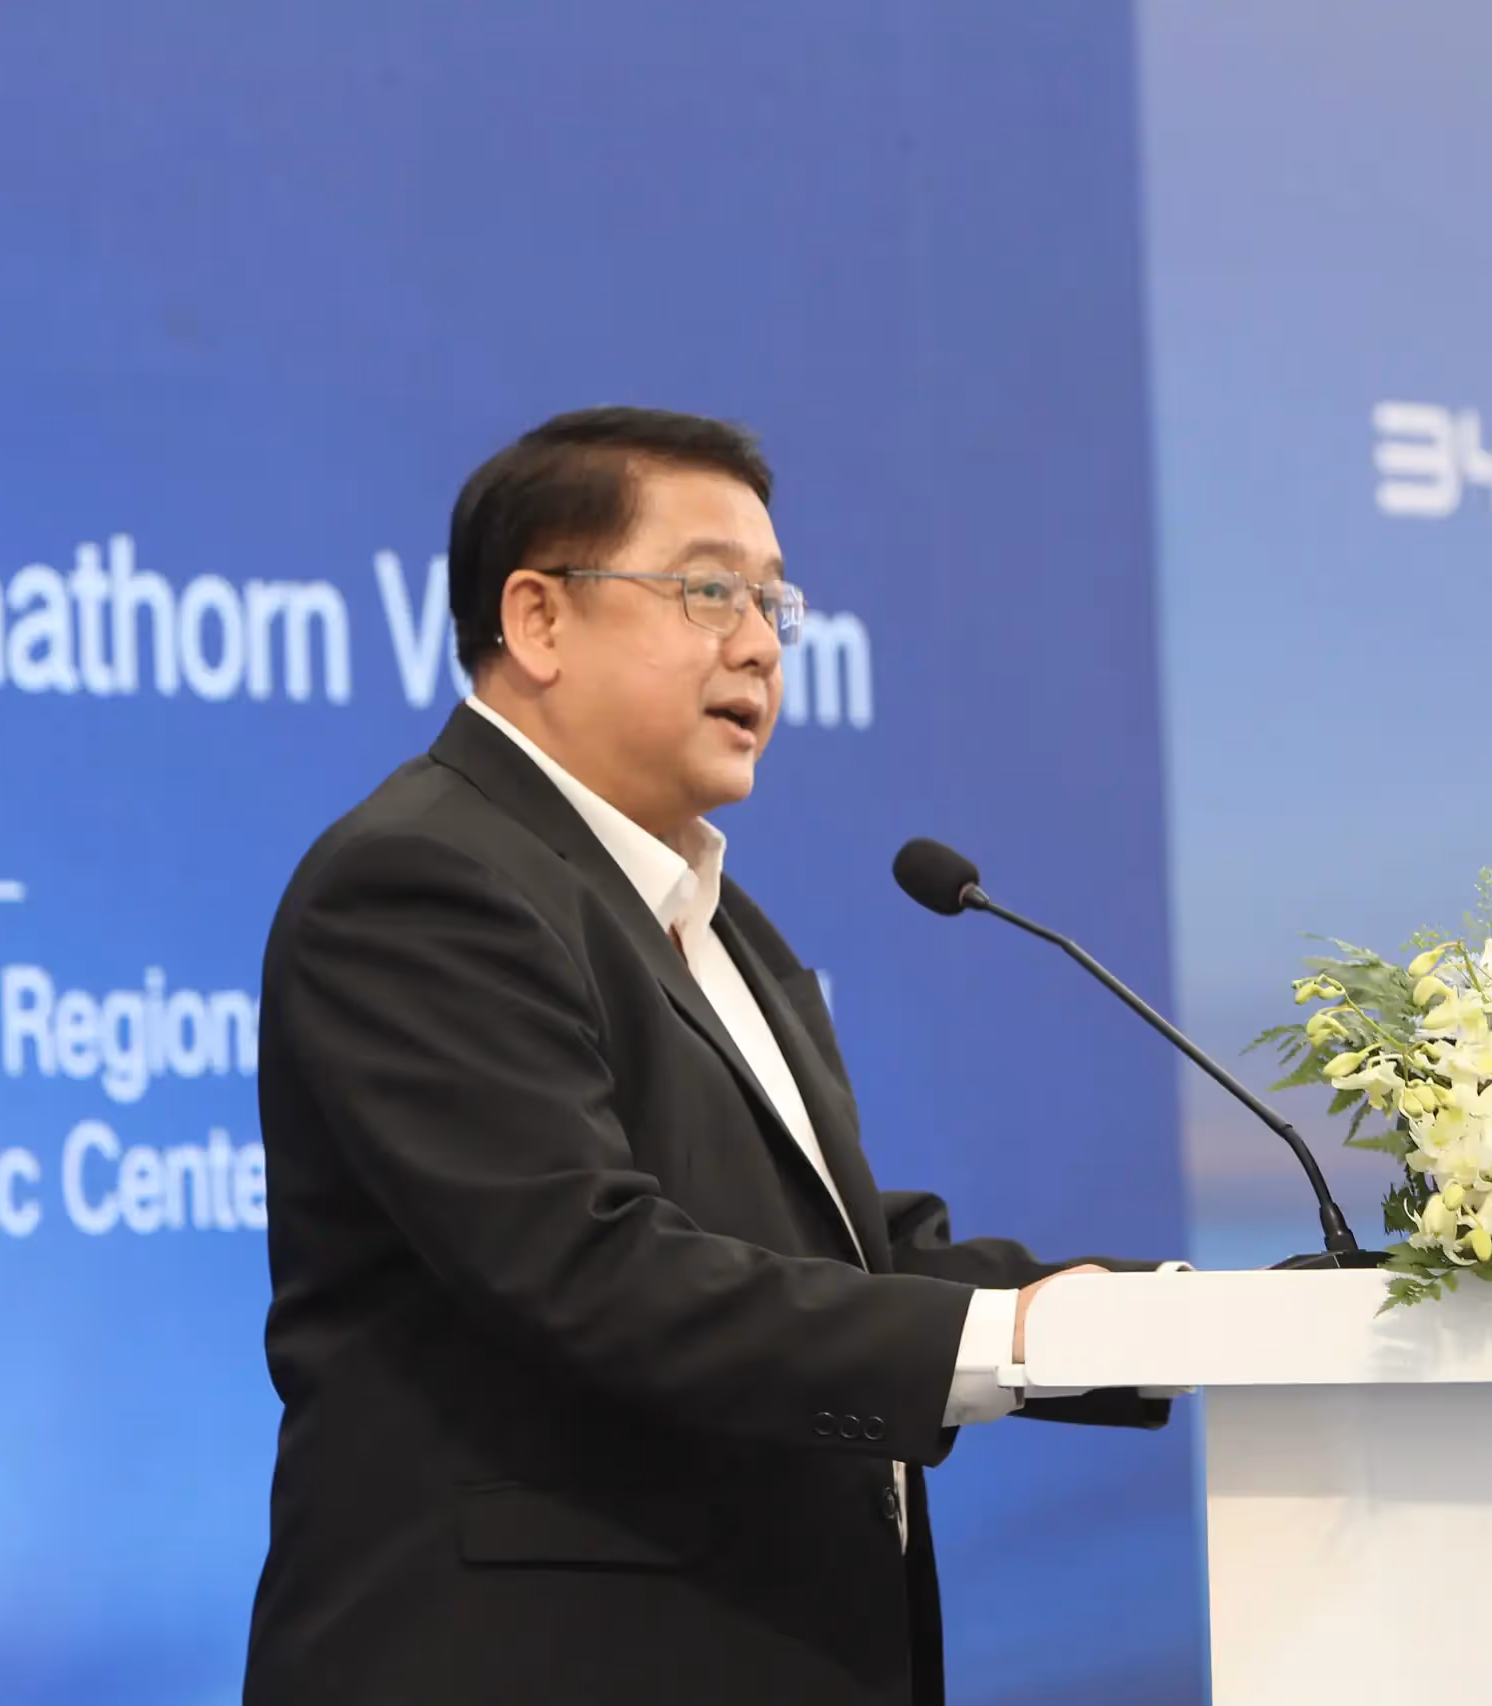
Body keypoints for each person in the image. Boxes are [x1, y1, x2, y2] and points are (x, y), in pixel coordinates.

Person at [241, 407, 1176, 1706]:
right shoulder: (421, 882)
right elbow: (596, 1270)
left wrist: (1173, 1318)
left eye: (774, 603)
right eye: (708, 591)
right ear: (538, 619)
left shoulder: (710, 912)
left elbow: (837, 1253)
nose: (761, 644)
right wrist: (1003, 1340)